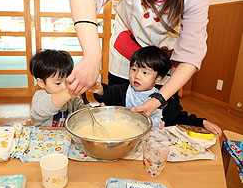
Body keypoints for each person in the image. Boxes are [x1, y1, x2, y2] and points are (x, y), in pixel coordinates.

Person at [67, 0, 209, 117]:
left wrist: (158, 99)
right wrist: (92, 56)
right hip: (124, 56)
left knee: (166, 115)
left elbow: (191, 55)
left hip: (162, 64)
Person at [88, 46, 222, 136]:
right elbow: (109, 95)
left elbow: (179, 118)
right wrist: (100, 90)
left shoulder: (166, 98)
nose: (137, 76)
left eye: (145, 72)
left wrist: (203, 122)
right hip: (126, 139)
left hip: (155, 144)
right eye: (134, 70)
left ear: (158, 78)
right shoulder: (122, 91)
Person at [29, 49, 85, 127]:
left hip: (64, 137)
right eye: (58, 83)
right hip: (41, 137)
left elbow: (84, 111)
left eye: (67, 81)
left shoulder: (72, 99)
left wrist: (98, 111)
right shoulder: (39, 98)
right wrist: (70, 92)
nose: (64, 87)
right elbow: (51, 104)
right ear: (41, 82)